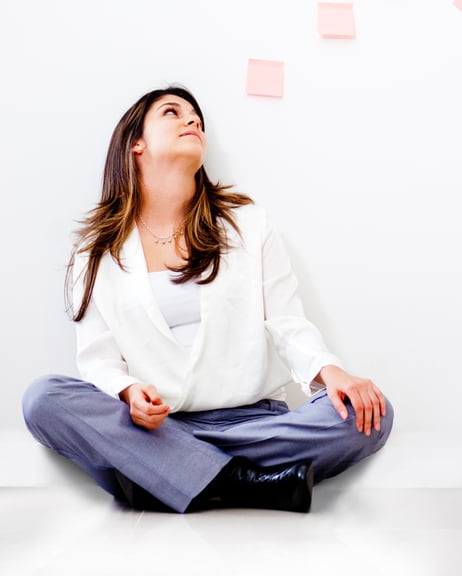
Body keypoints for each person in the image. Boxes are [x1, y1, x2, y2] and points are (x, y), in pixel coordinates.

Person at [22, 86, 392, 513]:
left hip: (255, 424)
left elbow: (288, 324)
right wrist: (127, 393)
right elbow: (97, 361)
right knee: (43, 399)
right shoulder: (96, 252)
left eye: (197, 118)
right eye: (173, 112)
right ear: (135, 143)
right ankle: (241, 482)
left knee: (373, 413)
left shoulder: (249, 225)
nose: (192, 121)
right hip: (157, 429)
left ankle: (167, 477)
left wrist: (333, 375)